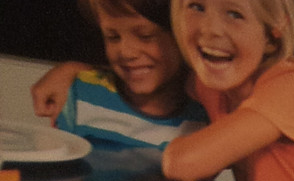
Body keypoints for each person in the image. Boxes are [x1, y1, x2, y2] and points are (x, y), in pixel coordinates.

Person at [162, 0, 294, 181]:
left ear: (272, 33)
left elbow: (184, 164)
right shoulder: (209, 84)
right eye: (197, 7)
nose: (210, 29)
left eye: (234, 14)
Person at [30, 0, 207, 158]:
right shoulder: (79, 96)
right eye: (113, 37)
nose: (126, 52)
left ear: (183, 34)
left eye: (145, 36)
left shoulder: (207, 113)